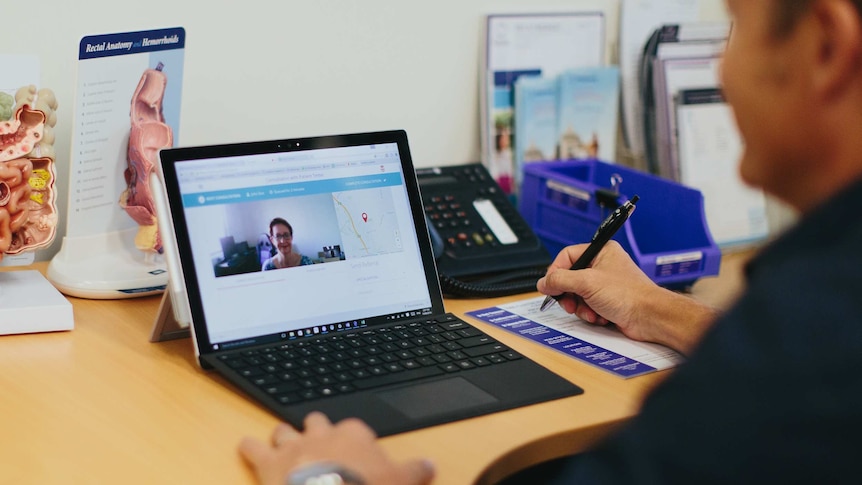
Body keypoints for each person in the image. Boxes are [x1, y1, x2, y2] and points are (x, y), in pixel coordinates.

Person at [239, 1, 862, 483]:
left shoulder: (805, 339)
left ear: (827, 47)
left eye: (735, 26)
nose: (721, 72)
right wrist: (656, 308)